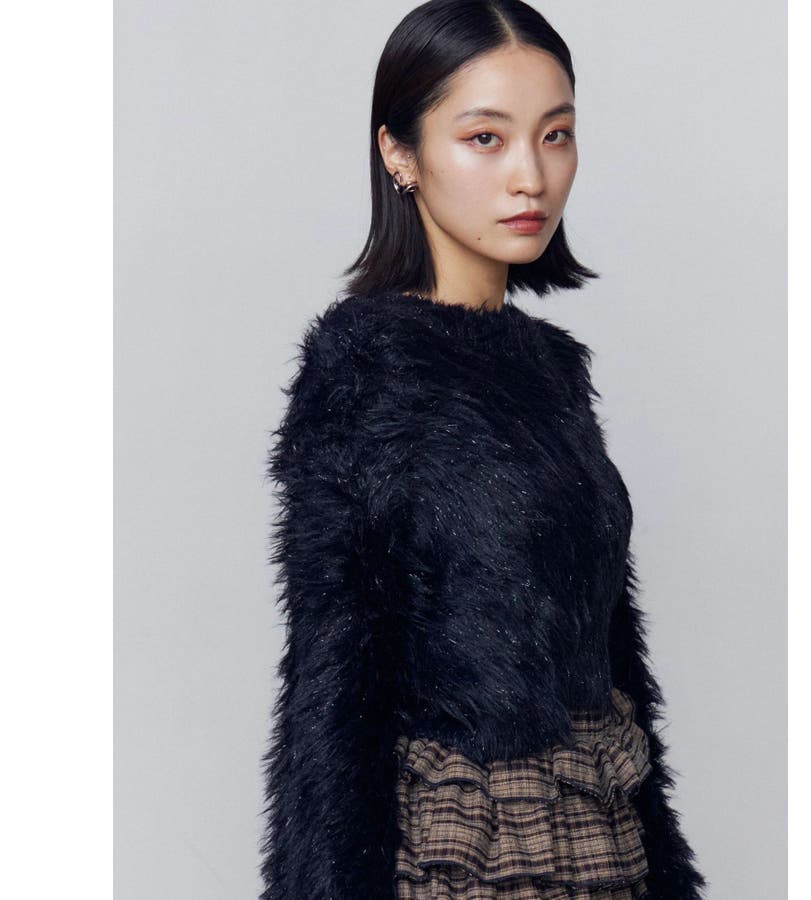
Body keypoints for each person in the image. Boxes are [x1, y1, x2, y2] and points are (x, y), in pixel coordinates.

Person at [258, 2, 707, 898]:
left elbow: (611, 649)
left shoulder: (550, 371)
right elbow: (333, 689)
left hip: (605, 838)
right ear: (400, 153)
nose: (530, 177)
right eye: (485, 139)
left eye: (555, 135)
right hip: (466, 854)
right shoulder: (367, 372)